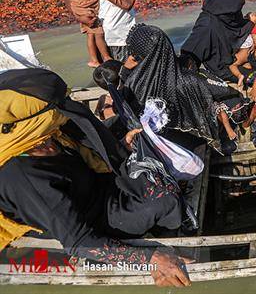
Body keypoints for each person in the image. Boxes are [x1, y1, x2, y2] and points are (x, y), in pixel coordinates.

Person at [0, 68, 191, 287]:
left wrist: (119, 147)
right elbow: (79, 241)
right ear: (26, 123)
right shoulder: (22, 177)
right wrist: (151, 260)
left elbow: (92, 147)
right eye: (61, 105)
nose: (70, 107)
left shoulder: (47, 134)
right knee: (164, 200)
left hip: (101, 192)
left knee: (159, 179)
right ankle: (173, 239)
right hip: (89, 224)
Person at [123, 24, 255, 154]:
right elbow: (223, 90)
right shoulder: (189, 79)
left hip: (154, 143)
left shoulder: (133, 82)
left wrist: (124, 71)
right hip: (190, 144)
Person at [181, 0, 255, 83]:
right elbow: (189, 57)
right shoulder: (207, 25)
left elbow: (239, 27)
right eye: (239, 5)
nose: (239, 9)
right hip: (224, 71)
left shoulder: (228, 15)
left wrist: (252, 37)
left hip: (237, 60)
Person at [229, 12, 256, 89]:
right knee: (248, 63)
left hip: (242, 52)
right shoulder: (249, 27)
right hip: (247, 52)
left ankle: (239, 76)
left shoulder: (251, 27)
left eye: (255, 15)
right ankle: (248, 66)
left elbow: (255, 38)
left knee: (232, 65)